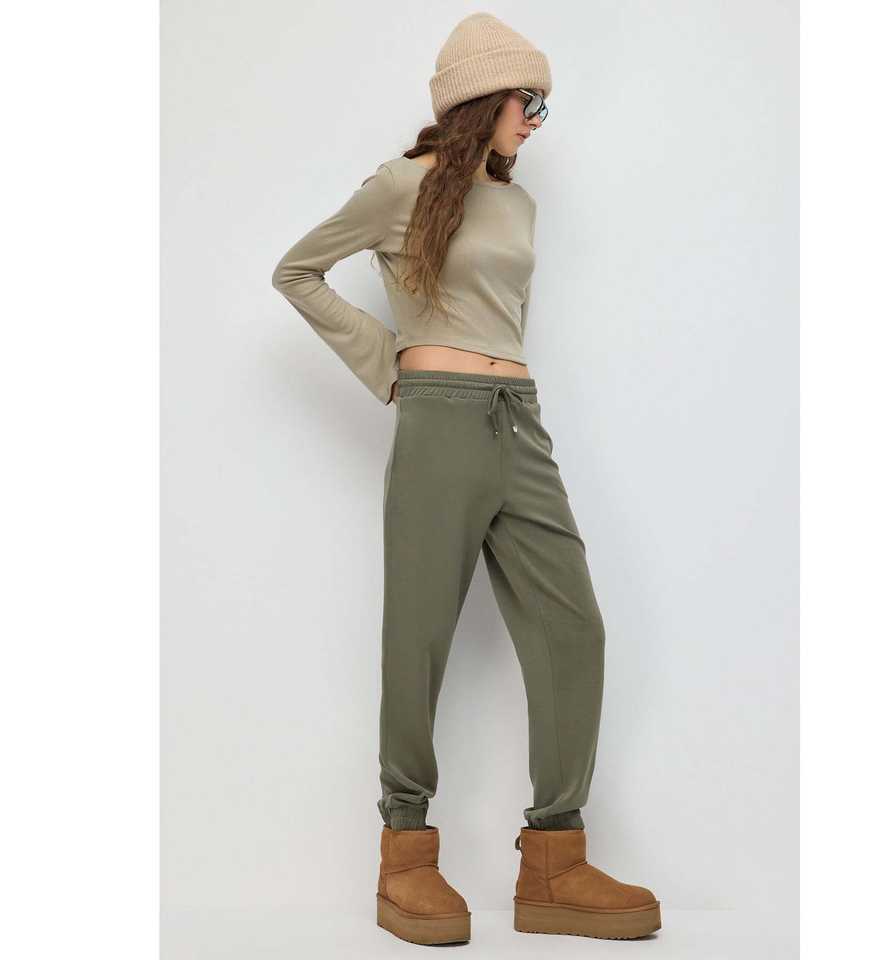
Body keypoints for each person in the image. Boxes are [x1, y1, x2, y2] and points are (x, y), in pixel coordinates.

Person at [271, 11, 660, 946]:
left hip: (519, 420)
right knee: (420, 636)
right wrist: (393, 366)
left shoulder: (518, 205)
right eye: (528, 101)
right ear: (481, 100)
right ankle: (405, 853)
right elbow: (298, 270)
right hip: (439, 420)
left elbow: (506, 320)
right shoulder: (399, 185)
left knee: (575, 626)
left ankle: (554, 859)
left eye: (543, 107)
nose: (535, 120)